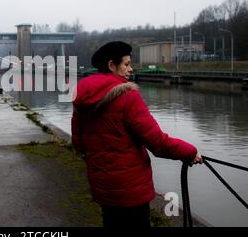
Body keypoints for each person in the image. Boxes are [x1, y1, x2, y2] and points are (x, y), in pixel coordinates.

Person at [71, 41, 203, 227]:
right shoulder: (127, 96)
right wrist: (189, 152)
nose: (131, 69)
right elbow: (157, 142)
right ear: (111, 65)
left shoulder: (81, 97)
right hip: (130, 190)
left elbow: (79, 143)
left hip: (102, 186)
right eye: (126, 64)